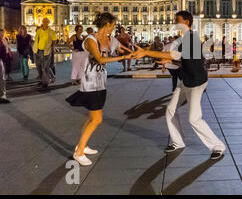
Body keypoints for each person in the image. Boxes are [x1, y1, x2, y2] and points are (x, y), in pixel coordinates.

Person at [134, 10, 226, 160]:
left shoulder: (190, 39)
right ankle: (178, 142)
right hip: (186, 81)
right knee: (170, 110)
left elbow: (173, 54)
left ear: (186, 22)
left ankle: (217, 146)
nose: (175, 23)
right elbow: (184, 58)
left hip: (196, 83)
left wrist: (146, 52)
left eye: (178, 20)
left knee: (194, 119)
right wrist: (171, 61)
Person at [66, 13, 134, 166]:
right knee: (97, 119)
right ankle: (79, 153)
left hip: (102, 80)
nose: (114, 27)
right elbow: (101, 59)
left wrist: (135, 53)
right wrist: (122, 58)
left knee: (92, 118)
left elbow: (125, 48)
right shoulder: (91, 40)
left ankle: (81, 145)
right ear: (107, 24)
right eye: (113, 25)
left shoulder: (111, 39)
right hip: (90, 81)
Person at [33, 18, 57, 88]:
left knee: (45, 67)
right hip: (37, 51)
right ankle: (41, 80)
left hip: (46, 52)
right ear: (42, 22)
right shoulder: (39, 30)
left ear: (48, 23)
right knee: (39, 67)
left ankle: (45, 82)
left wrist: (52, 48)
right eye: (44, 21)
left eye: (46, 22)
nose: (45, 23)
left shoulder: (51, 31)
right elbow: (36, 39)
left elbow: (54, 41)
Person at [0, 29, 11, 104]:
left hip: (2, 60)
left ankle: (2, 95)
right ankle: (2, 95)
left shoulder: (4, 40)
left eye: (2, 34)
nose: (1, 35)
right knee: (2, 78)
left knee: (2, 79)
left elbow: (6, 51)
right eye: (0, 34)